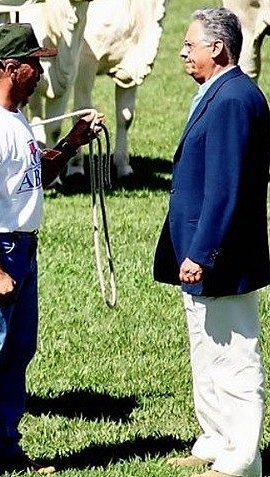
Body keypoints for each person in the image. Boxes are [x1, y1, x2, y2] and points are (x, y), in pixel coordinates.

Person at [0, 23, 104, 477]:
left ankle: (4, 449)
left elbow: (34, 178)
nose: (40, 75)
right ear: (10, 68)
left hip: (22, 251)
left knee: (15, 354)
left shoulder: (16, 118)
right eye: (34, 65)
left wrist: (70, 144)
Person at [153, 8, 270, 477]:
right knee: (206, 349)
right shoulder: (217, 92)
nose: (183, 51)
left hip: (222, 255)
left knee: (235, 354)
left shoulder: (234, 99)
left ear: (217, 48)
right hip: (201, 251)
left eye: (190, 44)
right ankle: (215, 440)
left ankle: (242, 458)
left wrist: (202, 252)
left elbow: (227, 185)